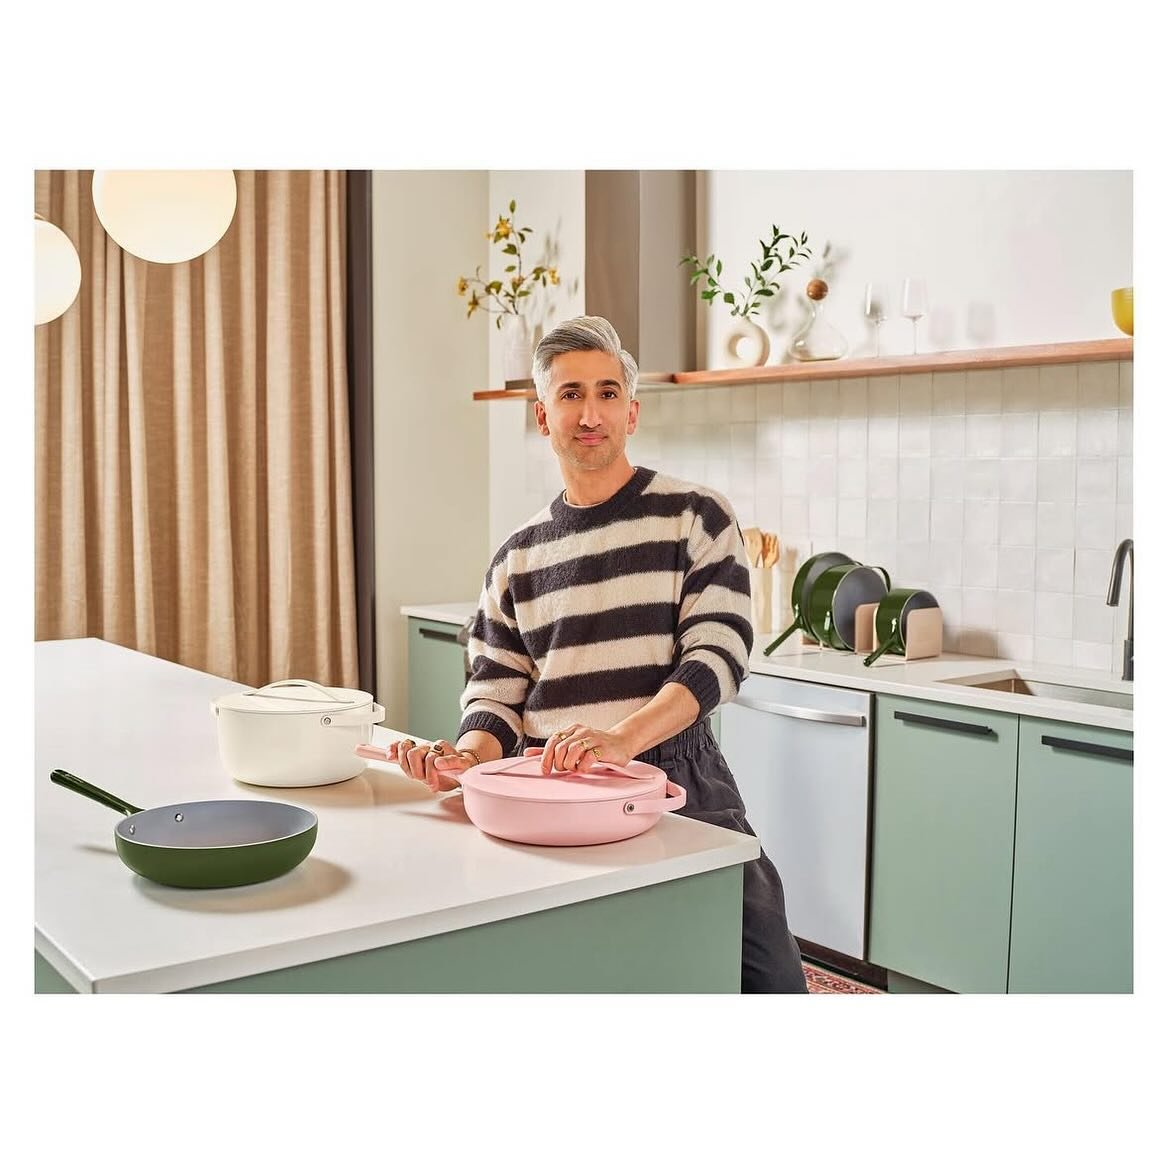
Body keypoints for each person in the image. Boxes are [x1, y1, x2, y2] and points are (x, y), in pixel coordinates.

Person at [385, 315, 807, 994]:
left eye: (608, 394)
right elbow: (494, 693)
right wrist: (466, 762)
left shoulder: (695, 517)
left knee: (767, 975)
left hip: (679, 778)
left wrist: (621, 739)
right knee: (589, 972)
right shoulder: (515, 557)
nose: (591, 413)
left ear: (632, 412)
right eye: (572, 394)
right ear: (541, 415)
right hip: (549, 787)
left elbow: (719, 654)